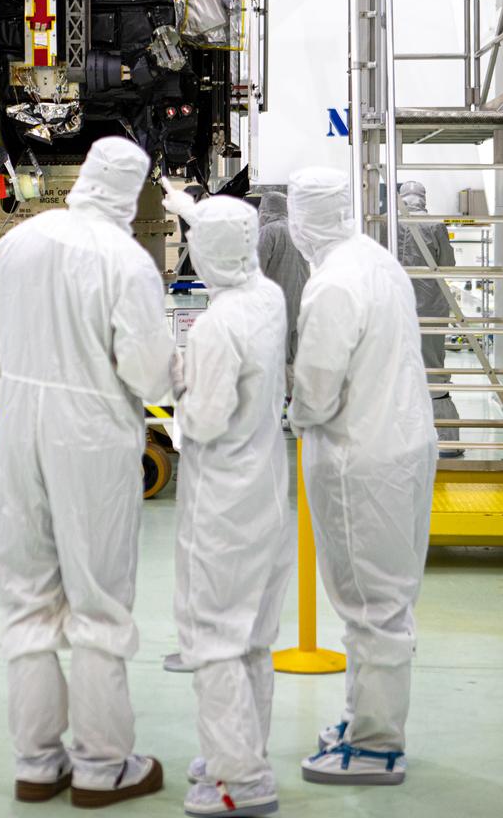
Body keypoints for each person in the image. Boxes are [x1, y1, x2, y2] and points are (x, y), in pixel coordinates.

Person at [0, 137, 177, 808]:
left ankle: (35, 764)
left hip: (21, 421)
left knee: (27, 598)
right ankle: (101, 768)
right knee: (97, 603)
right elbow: (148, 371)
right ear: (133, 190)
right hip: (90, 434)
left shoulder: (19, 242)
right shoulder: (126, 260)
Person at [287, 168, 437, 786]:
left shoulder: (331, 284)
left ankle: (376, 746)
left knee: (370, 605)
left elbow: (317, 390)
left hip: (361, 458)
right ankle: (363, 721)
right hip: (402, 443)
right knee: (387, 599)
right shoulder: (376, 260)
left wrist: (292, 415)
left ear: (300, 219)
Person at [162, 183, 293, 818]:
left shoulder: (215, 329)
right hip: (266, 490)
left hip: (224, 504)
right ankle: (238, 750)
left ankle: (238, 783)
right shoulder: (267, 298)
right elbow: (224, 246)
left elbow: (206, 422)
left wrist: (179, 392)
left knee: (215, 640)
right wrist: (191, 207)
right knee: (252, 640)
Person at [397, 180, 462, 456]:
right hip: (432, 307)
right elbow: (448, 264)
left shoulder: (389, 222)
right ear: (424, 197)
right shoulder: (436, 223)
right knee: (433, 368)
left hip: (397, 305)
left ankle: (402, 441)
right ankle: (447, 441)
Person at [258, 191, 309, 392]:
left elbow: (256, 270)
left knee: (274, 357)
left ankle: (279, 409)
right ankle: (298, 411)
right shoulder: (299, 231)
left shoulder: (269, 232)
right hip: (301, 303)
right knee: (296, 357)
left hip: (275, 306)